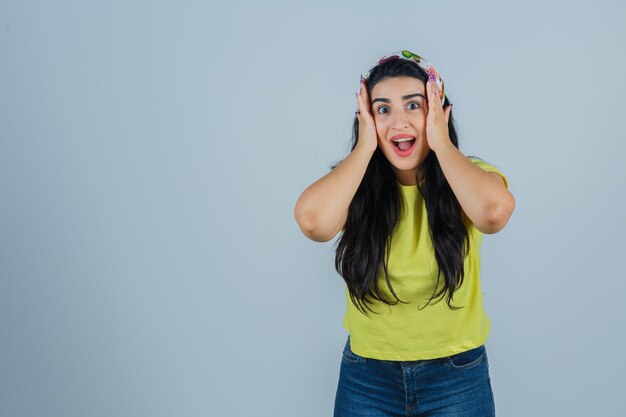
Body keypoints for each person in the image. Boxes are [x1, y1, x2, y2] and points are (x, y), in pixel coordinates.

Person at [293, 50, 515, 416]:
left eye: (413, 106)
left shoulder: (468, 174)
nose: (399, 122)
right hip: (367, 376)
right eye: (383, 110)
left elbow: (493, 213)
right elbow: (313, 223)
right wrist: (365, 147)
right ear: (367, 120)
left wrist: (441, 143)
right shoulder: (353, 182)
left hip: (456, 376)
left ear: (437, 111)